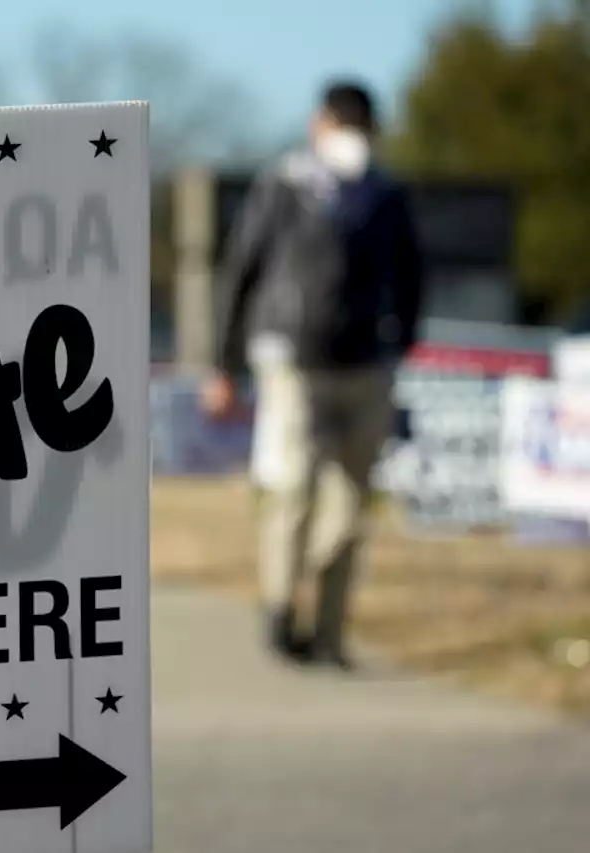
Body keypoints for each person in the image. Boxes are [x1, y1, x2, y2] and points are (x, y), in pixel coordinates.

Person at [201, 79, 425, 669]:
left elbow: (242, 270)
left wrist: (223, 365)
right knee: (323, 495)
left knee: (320, 496)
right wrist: (225, 364)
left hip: (328, 361)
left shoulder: (335, 186)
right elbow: (244, 271)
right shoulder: (340, 188)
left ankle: (304, 619)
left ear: (322, 121)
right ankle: (303, 620)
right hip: (330, 363)